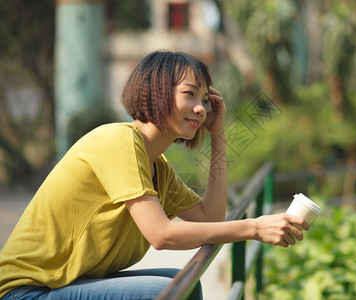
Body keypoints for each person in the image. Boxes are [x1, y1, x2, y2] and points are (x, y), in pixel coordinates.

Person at [0, 51, 309, 300]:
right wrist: (253, 227)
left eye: (205, 99)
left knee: (182, 283)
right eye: (190, 94)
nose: (201, 108)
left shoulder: (158, 167)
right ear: (156, 93)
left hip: (64, 283)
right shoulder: (117, 141)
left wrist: (219, 136)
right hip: (25, 292)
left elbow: (212, 217)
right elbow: (161, 235)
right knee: (162, 291)